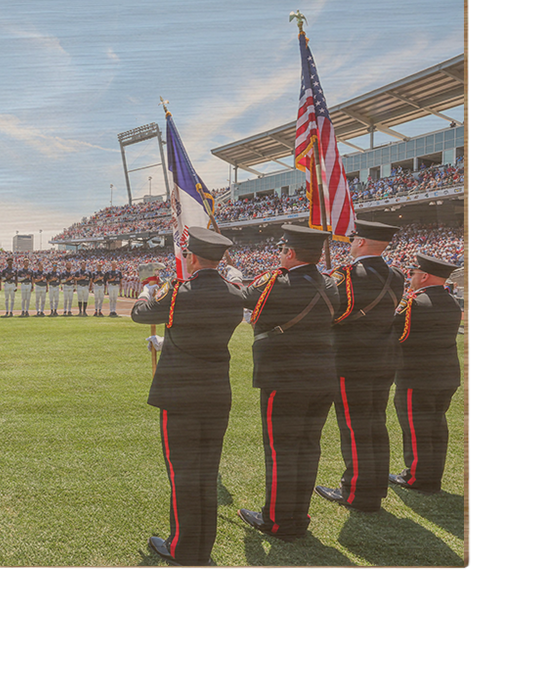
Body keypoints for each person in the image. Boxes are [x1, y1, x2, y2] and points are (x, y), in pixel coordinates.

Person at [131, 228, 244, 566]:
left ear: (192, 258)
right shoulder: (235, 295)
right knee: (207, 472)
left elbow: (141, 314)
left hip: (180, 392)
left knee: (183, 473)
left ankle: (182, 547)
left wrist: (147, 291)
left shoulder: (179, 293)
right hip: (216, 392)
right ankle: (202, 545)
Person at [234, 225, 340, 541]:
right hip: (323, 377)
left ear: (290, 252)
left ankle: (277, 520)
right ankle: (298, 516)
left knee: (282, 451)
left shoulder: (275, 284)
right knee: (308, 449)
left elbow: (242, 298)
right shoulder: (332, 285)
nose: (280, 255)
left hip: (284, 378)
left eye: (282, 250)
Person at [316, 220, 405, 514]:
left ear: (362, 242)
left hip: (351, 360)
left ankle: (357, 492)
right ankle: (375, 487)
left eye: (354, 239)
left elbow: (333, 313)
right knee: (375, 424)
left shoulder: (349, 274)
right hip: (383, 359)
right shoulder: (396, 275)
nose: (351, 242)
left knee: (354, 428)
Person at [389, 254, 463, 495]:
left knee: (416, 427)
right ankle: (432, 476)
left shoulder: (415, 303)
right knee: (436, 426)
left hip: (417, 375)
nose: (410, 278)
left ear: (424, 276)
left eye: (412, 273)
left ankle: (417, 477)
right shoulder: (451, 302)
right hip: (446, 375)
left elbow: (397, 335)